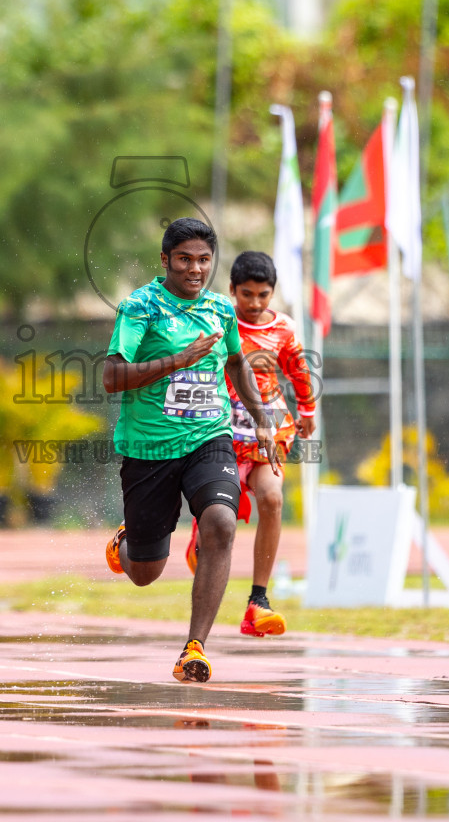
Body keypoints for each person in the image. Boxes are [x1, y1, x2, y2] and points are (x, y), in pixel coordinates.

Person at [101, 218, 279, 683]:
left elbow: (237, 363)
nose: (195, 269)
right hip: (149, 448)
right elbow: (112, 376)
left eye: (203, 260)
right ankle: (130, 538)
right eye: (185, 259)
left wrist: (262, 420)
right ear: (165, 261)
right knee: (144, 573)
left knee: (221, 522)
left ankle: (194, 648)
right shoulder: (141, 307)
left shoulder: (220, 310)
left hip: (209, 438)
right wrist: (179, 359)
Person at [183, 251, 316, 640]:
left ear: (272, 292)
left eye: (263, 295)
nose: (255, 304)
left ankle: (259, 600)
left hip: (267, 431)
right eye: (247, 295)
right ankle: (200, 531)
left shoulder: (285, 329)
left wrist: (307, 410)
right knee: (216, 520)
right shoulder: (218, 321)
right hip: (219, 431)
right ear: (232, 290)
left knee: (272, 499)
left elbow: (300, 371)